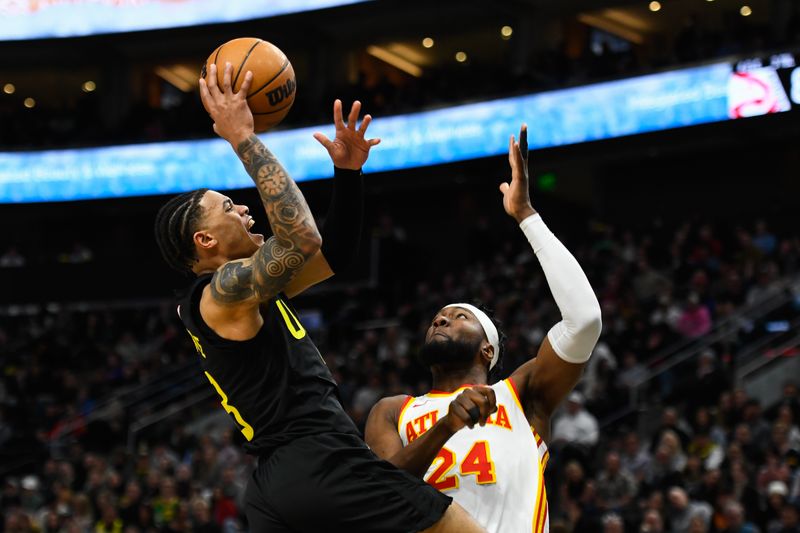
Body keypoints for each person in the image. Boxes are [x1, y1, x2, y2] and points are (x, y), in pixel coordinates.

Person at [154, 62, 485, 533]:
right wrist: (243, 139)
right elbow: (300, 240)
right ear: (205, 241)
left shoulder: (246, 292)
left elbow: (333, 253)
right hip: (318, 458)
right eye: (228, 207)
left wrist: (347, 174)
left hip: (278, 483)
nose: (243, 207)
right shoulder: (222, 293)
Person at [365, 124, 602, 533]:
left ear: (487, 351)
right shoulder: (392, 410)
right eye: (439, 315)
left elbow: (585, 322)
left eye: (460, 317)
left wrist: (526, 216)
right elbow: (381, 494)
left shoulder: (520, 394)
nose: (441, 319)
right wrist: (447, 426)